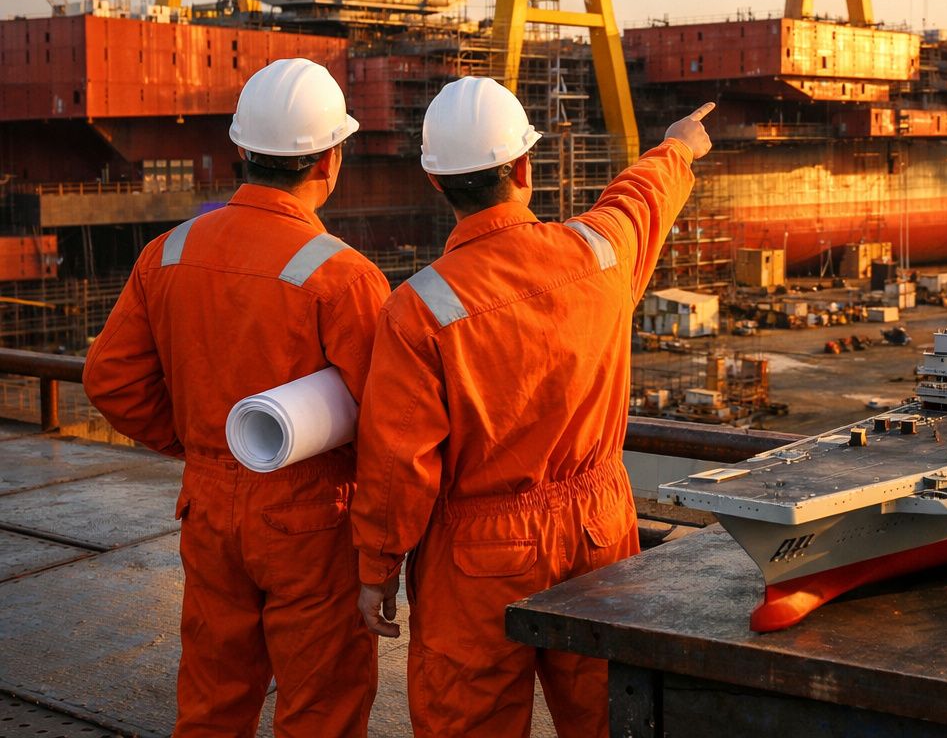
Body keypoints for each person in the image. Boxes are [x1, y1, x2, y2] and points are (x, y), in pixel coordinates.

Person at [351, 77, 712, 738]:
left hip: (477, 558)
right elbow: (640, 200)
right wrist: (677, 148)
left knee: (470, 719)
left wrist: (376, 571)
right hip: (598, 530)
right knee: (613, 713)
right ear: (524, 167)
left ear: (436, 182)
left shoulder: (420, 308)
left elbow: (399, 462)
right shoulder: (601, 255)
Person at [84, 58, 387, 737]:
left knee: (213, 699)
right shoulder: (345, 276)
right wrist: (385, 549)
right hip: (311, 521)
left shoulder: (167, 251)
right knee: (323, 706)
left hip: (210, 508)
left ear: (242, 150)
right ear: (329, 161)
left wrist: (200, 442)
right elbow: (390, 426)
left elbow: (109, 380)